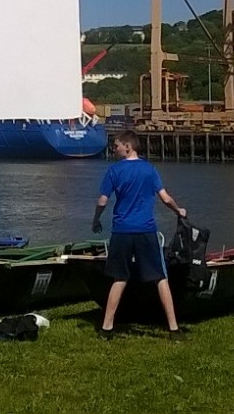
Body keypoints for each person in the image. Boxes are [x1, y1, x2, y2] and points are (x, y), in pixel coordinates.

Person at [91, 129, 187, 340]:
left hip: (122, 231)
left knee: (119, 278)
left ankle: (106, 328)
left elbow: (102, 201)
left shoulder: (114, 171)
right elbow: (165, 198)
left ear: (128, 146)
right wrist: (178, 210)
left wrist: (96, 220)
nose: (113, 149)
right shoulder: (149, 170)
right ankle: (173, 329)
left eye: (116, 146)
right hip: (146, 230)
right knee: (160, 278)